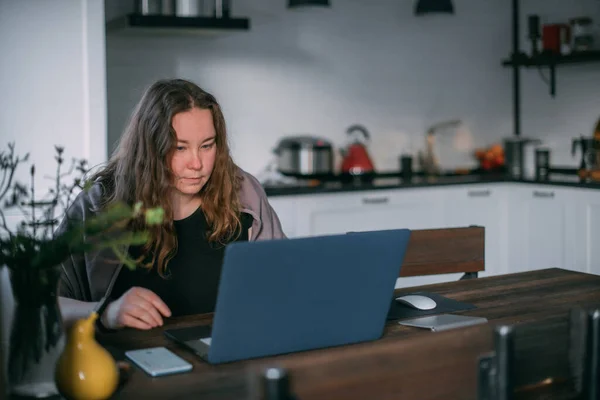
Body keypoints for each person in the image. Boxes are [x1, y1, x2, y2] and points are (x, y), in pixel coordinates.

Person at [57, 78, 286, 331]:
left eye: (207, 145)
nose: (197, 163)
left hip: (227, 360)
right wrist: (105, 312)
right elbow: (37, 306)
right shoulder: (99, 205)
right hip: (127, 364)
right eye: (180, 148)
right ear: (150, 148)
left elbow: (285, 281)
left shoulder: (244, 193)